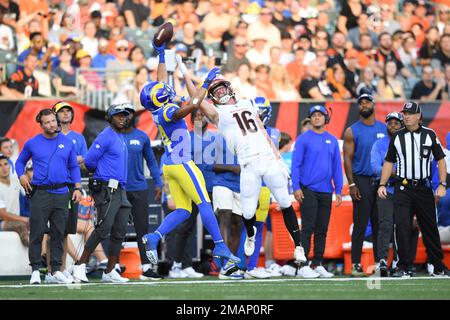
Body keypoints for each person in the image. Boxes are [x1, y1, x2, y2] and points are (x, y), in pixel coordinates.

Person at [178, 57, 307, 268]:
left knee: (285, 202)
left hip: (268, 159)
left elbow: (263, 131)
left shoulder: (248, 103)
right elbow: (196, 99)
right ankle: (250, 234)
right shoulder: (217, 113)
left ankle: (299, 247)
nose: (220, 92)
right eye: (215, 91)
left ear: (230, 88)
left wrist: (279, 159)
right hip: (248, 164)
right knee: (247, 213)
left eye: (221, 88)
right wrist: (185, 71)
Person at [140, 42, 241, 278]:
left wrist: (162, 55)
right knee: (204, 204)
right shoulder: (167, 111)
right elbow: (195, 104)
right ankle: (221, 246)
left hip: (171, 165)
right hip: (182, 162)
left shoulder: (157, 108)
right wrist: (205, 81)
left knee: (185, 210)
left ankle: (153, 237)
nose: (165, 89)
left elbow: (162, 80)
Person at [378, 101, 450, 277]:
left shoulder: (430, 135)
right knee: (402, 226)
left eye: (410, 113)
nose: (406, 116)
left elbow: (441, 160)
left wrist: (442, 183)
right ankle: (403, 266)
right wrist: (382, 184)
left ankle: (437, 266)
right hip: (403, 188)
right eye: (405, 113)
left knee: (429, 227)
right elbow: (389, 162)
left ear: (419, 116)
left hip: (424, 188)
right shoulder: (397, 136)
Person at [15, 108, 83, 285]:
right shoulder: (32, 143)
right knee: (37, 233)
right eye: (47, 122)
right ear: (41, 124)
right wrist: (21, 175)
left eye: (53, 121)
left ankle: (55, 271)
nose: (52, 124)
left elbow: (74, 167)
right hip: (41, 193)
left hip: (62, 193)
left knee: (59, 234)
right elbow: (19, 161)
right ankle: (36, 270)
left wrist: (77, 187)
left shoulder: (68, 142)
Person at [71, 104, 132, 283]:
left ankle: (110, 270)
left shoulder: (119, 137)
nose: (123, 118)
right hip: (107, 188)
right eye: (118, 116)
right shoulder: (105, 136)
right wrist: (101, 176)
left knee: (120, 231)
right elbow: (89, 161)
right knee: (103, 228)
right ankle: (79, 265)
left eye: (125, 116)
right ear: (110, 117)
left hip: (120, 189)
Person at [291, 105, 343, 278]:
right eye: (314, 115)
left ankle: (317, 263)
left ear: (325, 119)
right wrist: (296, 187)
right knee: (307, 228)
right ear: (310, 119)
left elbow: (337, 166)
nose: (317, 118)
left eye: (320, 115)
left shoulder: (333, 140)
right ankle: (302, 265)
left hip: (326, 190)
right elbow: (295, 164)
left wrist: (339, 189)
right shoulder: (303, 139)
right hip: (308, 190)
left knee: (322, 228)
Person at [166, 109, 215, 279]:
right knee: (186, 227)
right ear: (191, 120)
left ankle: (221, 266)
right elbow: (172, 161)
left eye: (203, 115)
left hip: (211, 187)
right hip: (191, 189)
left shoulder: (215, 138)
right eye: (197, 116)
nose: (200, 117)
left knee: (218, 226)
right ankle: (177, 265)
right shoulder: (186, 137)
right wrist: (169, 193)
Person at [343, 93, 387, 276]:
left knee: (380, 224)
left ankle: (379, 263)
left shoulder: (385, 128)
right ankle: (355, 264)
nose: (364, 105)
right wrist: (352, 184)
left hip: (381, 181)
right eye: (361, 103)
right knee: (360, 224)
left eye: (367, 102)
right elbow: (347, 159)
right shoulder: (352, 130)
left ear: (373, 105)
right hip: (361, 180)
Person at [122, 103, 164, 281]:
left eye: (128, 113)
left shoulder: (142, 136)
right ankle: (113, 266)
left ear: (133, 116)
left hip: (139, 187)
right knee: (116, 229)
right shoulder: (111, 136)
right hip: (118, 188)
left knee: (143, 229)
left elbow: (152, 162)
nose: (125, 117)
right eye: (122, 114)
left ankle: (146, 267)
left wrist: (159, 182)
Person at [52, 101, 87, 280]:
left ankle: (62, 268)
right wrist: (74, 159)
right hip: (54, 187)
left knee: (66, 229)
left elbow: (86, 159)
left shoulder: (78, 137)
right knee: (57, 229)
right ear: (55, 115)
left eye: (68, 111)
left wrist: (68, 160)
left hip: (71, 187)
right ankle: (56, 268)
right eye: (61, 111)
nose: (65, 114)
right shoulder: (51, 135)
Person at [370, 112, 403, 277]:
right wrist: (394, 172)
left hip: (404, 191)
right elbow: (374, 167)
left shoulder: (407, 142)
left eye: (397, 123)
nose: (393, 126)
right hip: (386, 189)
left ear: (402, 125)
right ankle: (381, 260)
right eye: (390, 123)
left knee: (401, 226)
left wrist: (394, 173)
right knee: (385, 225)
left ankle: (399, 261)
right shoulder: (378, 144)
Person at [0, 153, 29, 246]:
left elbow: (29, 194)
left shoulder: (16, 180)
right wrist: (25, 219)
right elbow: (3, 214)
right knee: (20, 225)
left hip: (19, 219)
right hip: (2, 221)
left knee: (45, 227)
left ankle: (45, 257)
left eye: (5, 164)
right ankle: (36, 256)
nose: (4, 168)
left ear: (9, 165)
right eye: (0, 166)